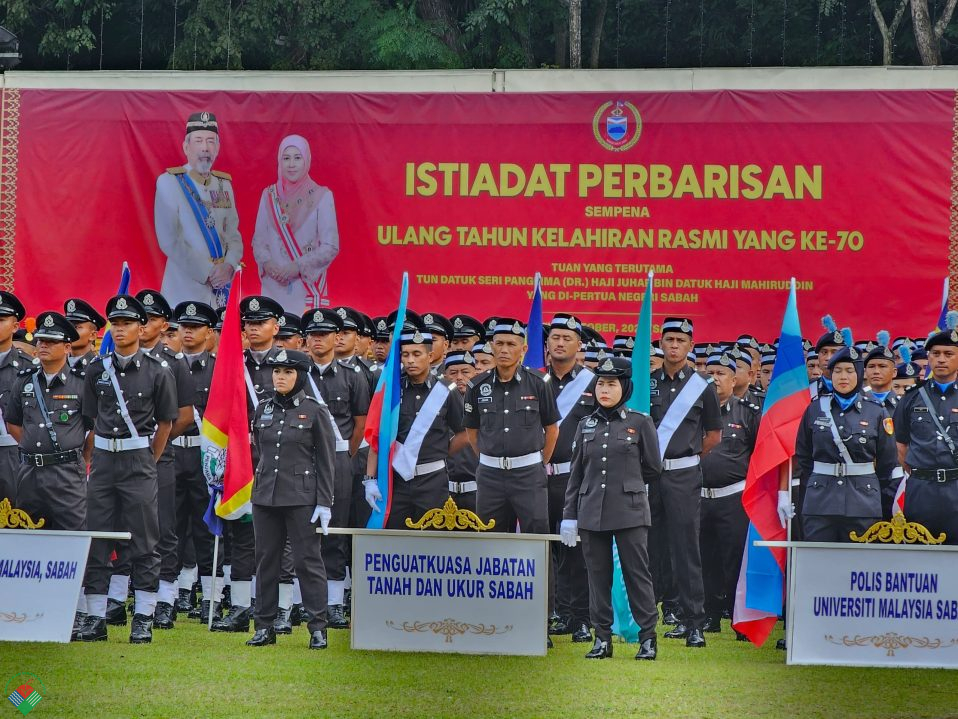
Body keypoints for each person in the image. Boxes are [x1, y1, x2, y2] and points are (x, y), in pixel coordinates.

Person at [76, 295, 178, 644]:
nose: (119, 329)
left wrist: (149, 459)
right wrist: (92, 462)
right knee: (99, 536)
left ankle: (144, 617)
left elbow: (166, 423)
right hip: (103, 461)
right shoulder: (96, 369)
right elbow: (90, 420)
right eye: (114, 324)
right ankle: (95, 616)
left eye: (127, 323)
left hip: (138, 461)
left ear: (141, 326)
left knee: (145, 540)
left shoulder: (158, 371)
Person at [560, 356, 661, 660]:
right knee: (598, 577)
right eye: (601, 384)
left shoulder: (640, 422)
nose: (604, 390)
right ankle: (601, 638)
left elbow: (653, 468)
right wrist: (569, 517)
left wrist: (626, 484)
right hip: (591, 510)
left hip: (629, 510)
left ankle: (647, 638)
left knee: (637, 575)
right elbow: (576, 475)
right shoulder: (584, 424)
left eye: (611, 384)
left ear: (624, 387)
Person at [246, 349, 335, 649]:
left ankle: (318, 627)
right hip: (266, 495)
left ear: (300, 376)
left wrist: (324, 502)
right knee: (266, 561)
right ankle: (264, 625)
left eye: (287, 372)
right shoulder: (262, 409)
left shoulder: (314, 411)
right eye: (276, 371)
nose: (280, 377)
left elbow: (325, 460)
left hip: (301, 497)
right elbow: (260, 450)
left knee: (307, 561)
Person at [212, 295, 284, 633]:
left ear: (276, 327)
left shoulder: (289, 364)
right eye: (249, 323)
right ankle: (240, 607)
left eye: (261, 322)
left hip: (278, 459)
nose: (253, 328)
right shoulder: (231, 363)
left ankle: (277, 608)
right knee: (241, 533)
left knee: (278, 536)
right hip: (241, 459)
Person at [650, 317, 722, 649]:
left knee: (686, 549)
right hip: (650, 475)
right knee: (652, 547)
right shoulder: (646, 382)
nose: (674, 345)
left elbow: (712, 436)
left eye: (681, 340)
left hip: (683, 474)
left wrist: (685, 458)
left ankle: (694, 622)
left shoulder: (702, 386)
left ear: (690, 345)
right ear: (661, 344)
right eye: (669, 339)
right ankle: (657, 616)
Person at [300, 308, 369, 628]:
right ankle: (302, 601)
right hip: (300, 460)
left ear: (336, 337)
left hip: (340, 459)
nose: (318, 340)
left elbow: (360, 424)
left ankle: (334, 603)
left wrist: (342, 455)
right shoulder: (296, 373)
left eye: (324, 334)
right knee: (300, 531)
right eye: (313, 335)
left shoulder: (352, 376)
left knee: (335, 531)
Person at [364, 313, 466, 529]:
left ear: (430, 357)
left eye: (417, 354)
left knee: (432, 543)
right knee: (394, 543)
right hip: (395, 481)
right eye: (405, 354)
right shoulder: (390, 391)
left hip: (433, 480)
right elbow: (377, 437)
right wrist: (370, 479)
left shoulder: (447, 390)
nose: (410, 360)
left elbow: (464, 433)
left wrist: (440, 451)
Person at [463, 318, 559, 534]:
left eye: (511, 344)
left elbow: (552, 428)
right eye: (499, 343)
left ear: (523, 349)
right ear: (491, 346)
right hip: (490, 475)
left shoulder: (538, 383)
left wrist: (538, 463)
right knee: (489, 538)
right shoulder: (476, 385)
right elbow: (472, 431)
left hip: (529, 475)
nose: (504, 349)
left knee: (536, 537)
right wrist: (490, 458)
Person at [796, 346, 896, 542]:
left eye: (849, 371)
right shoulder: (815, 409)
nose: (843, 377)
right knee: (820, 562)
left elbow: (887, 462)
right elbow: (804, 455)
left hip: (863, 503)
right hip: (820, 503)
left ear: (859, 374)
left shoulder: (876, 412)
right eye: (838, 371)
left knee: (859, 566)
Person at [155, 112, 242, 308]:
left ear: (218, 148)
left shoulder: (223, 184)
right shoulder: (169, 182)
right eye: (199, 141)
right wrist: (208, 272)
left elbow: (233, 236)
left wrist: (229, 266)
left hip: (222, 291)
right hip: (184, 289)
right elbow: (169, 240)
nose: (205, 148)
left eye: (211, 141)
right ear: (186, 146)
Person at [544, 314, 596, 644]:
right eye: (555, 338)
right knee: (548, 547)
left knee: (578, 550)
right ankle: (559, 612)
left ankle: (581, 618)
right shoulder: (534, 383)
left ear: (579, 345)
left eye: (567, 338)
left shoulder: (594, 384)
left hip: (576, 479)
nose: (560, 343)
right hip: (539, 478)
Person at [699, 352, 759, 633]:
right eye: (709, 371)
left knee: (735, 559)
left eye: (721, 372)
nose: (714, 377)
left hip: (734, 499)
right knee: (704, 558)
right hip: (698, 497)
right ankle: (708, 616)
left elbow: (760, 457)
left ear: (734, 380)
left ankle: (739, 619)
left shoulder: (747, 413)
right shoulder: (694, 410)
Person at [170, 301, 222, 622]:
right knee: (171, 526)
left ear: (208, 332)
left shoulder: (219, 368)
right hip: (173, 450)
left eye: (195, 327)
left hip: (206, 454)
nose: (187, 332)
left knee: (206, 528)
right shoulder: (166, 364)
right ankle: (171, 595)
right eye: (183, 326)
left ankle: (211, 596)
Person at [252, 135, 339, 313]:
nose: (291, 164)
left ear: (307, 160)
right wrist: (268, 263)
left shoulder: (322, 196)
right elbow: (258, 240)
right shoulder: (269, 195)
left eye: (297, 158)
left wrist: (297, 266)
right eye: (286, 158)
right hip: (272, 287)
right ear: (279, 161)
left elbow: (330, 246)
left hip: (305, 288)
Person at [893, 317, 958, 544]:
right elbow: (901, 446)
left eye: (948, 354)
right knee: (919, 555)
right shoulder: (912, 398)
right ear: (928, 357)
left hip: (956, 486)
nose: (941, 359)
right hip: (922, 489)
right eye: (935, 353)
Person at [0, 291, 31, 502]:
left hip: (12, 451)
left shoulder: (27, 367)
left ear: (15, 326)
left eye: (1, 320)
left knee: (15, 516)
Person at [443, 350, 480, 513]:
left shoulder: (487, 405)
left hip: (478, 491)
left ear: (475, 373)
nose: (459, 377)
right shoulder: (434, 407)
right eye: (453, 373)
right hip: (443, 490)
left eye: (465, 372)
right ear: (445, 376)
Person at [63, 298, 106, 368]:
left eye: (76, 327)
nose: (70, 330)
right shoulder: (55, 365)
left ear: (93, 335)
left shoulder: (101, 367)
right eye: (68, 326)